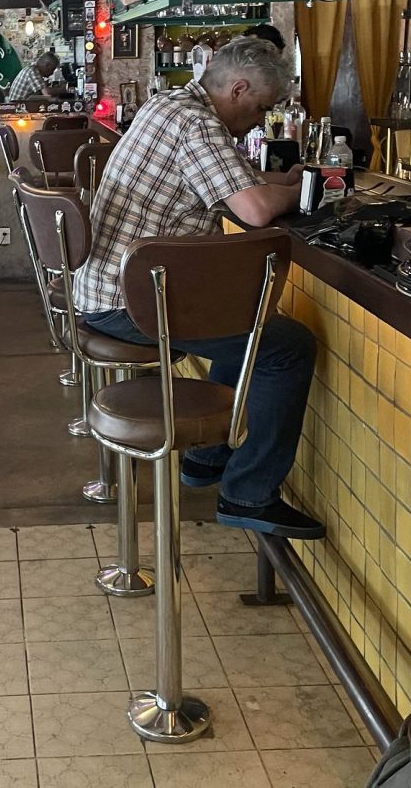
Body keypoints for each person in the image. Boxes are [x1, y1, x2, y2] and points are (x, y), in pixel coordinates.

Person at [73, 37, 323, 538]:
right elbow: (252, 212)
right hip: (128, 303)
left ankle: (207, 459)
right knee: (288, 346)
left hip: (110, 289)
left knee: (240, 314)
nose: (260, 121)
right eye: (259, 108)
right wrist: (302, 189)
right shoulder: (196, 123)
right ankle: (249, 494)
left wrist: (279, 184)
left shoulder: (172, 104)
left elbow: (240, 187)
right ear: (237, 89)